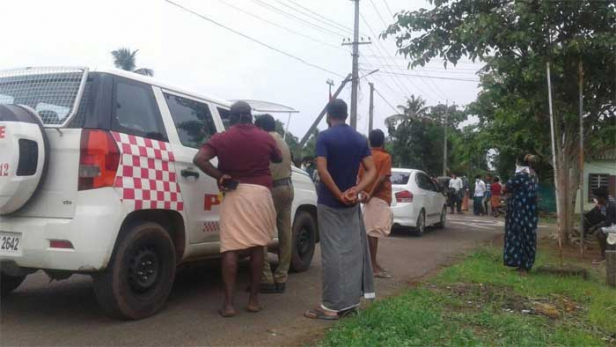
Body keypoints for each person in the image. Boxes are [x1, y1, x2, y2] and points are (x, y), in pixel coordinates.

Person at [193, 101, 282, 317]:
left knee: (230, 248)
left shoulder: (222, 137)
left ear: (232, 118)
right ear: (250, 116)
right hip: (261, 194)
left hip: (235, 193)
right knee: (258, 246)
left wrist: (220, 175)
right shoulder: (265, 136)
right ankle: (253, 301)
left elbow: (199, 158)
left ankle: (229, 305)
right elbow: (278, 158)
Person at [304, 99, 377, 321]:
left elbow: (322, 170)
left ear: (328, 116)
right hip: (351, 206)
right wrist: (355, 191)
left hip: (329, 203)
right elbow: (371, 170)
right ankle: (350, 304)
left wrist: (338, 193)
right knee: (351, 253)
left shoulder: (325, 137)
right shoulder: (359, 139)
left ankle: (331, 307)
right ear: (346, 115)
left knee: (332, 254)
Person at [255, 114, 294, 294]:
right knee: (286, 233)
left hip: (272, 190)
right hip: (287, 188)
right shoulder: (283, 142)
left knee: (261, 233)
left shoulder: (264, 140)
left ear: (261, 127)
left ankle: (265, 278)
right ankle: (281, 277)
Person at [358, 129, 393, 279]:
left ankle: (373, 264)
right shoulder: (385, 157)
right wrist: (370, 193)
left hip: (369, 196)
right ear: (383, 141)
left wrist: (363, 193)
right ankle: (372, 266)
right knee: (373, 232)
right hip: (377, 197)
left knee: (372, 231)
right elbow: (381, 178)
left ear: (370, 141)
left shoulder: (365, 157)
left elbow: (360, 177)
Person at [502, 154, 539, 273]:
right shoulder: (534, 176)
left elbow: (505, 188)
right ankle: (527, 264)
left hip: (518, 211)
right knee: (529, 236)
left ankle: (521, 265)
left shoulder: (520, 176)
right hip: (531, 212)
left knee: (518, 235)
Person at [587, 186, 616, 261]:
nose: (595, 199)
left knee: (599, 232)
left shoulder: (611, 205)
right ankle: (607, 253)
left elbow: (608, 223)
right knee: (600, 231)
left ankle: (604, 255)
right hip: (613, 224)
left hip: (613, 225)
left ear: (602, 198)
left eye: (596, 197)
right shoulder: (606, 204)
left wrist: (595, 227)